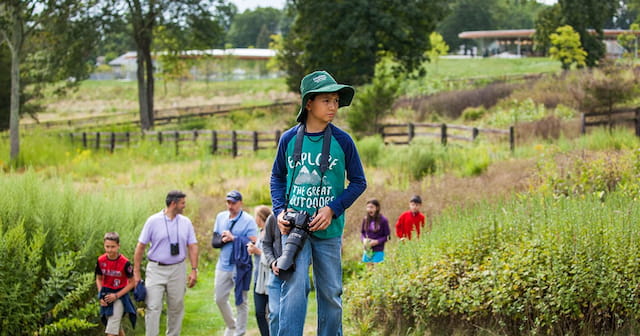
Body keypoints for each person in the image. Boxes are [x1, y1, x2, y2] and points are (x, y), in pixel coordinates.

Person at [270, 70, 367, 336]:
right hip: (294, 230)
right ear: (308, 103)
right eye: (327, 100)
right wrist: (279, 211)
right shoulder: (289, 139)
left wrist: (332, 209)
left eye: (336, 100)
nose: (334, 106)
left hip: (329, 232)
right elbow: (277, 177)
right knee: (294, 290)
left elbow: (359, 182)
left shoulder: (343, 141)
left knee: (332, 295)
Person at [133, 190, 198, 336]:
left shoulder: (186, 222)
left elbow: (193, 246)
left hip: (178, 269)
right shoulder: (153, 221)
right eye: (182, 203)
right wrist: (136, 273)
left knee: (176, 308)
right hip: (156, 269)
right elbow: (140, 247)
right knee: (153, 307)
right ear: (173, 204)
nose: (184, 206)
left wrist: (194, 269)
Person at [212, 190, 258, 336]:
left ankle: (240, 332)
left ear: (240, 203)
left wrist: (235, 238)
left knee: (241, 300)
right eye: (228, 202)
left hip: (241, 266)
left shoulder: (249, 220)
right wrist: (223, 240)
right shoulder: (220, 217)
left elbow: (255, 241)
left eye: (233, 203)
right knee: (219, 298)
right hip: (223, 265)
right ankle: (232, 325)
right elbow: (214, 242)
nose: (230, 206)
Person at [96, 232, 137, 336]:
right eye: (107, 246)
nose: (110, 250)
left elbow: (132, 283)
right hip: (106, 294)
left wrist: (116, 295)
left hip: (120, 296)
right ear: (104, 245)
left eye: (113, 247)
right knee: (116, 327)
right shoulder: (101, 260)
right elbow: (99, 278)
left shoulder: (125, 263)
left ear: (118, 246)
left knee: (112, 329)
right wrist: (101, 295)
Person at [247, 205, 272, 336]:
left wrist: (257, 251)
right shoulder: (260, 231)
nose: (254, 218)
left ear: (261, 217)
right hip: (258, 278)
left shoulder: (271, 232)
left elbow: (273, 256)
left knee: (271, 312)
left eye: (255, 215)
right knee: (259, 312)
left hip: (269, 278)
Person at [360, 199, 391, 264]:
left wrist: (377, 241)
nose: (369, 209)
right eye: (368, 207)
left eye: (371, 207)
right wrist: (364, 240)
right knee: (367, 270)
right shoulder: (365, 219)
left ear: (377, 208)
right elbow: (362, 233)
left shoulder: (383, 220)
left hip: (378, 250)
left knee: (376, 270)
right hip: (367, 250)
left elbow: (388, 236)